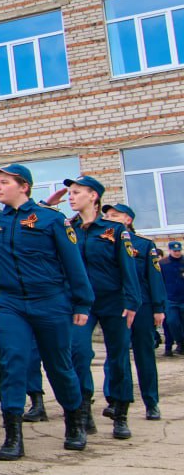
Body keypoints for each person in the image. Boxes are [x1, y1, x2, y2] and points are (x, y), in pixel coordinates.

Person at [0, 164, 91, 459]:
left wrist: (82, 303)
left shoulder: (51, 220)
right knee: (12, 364)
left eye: (4, 182)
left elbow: (73, 263)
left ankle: (74, 421)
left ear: (24, 186)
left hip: (50, 302)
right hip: (10, 304)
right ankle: (13, 435)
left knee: (59, 365)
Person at [55, 176, 139, 439]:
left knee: (118, 356)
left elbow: (128, 268)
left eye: (77, 192)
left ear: (93, 196)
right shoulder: (68, 227)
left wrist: (132, 302)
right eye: (70, 192)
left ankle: (120, 412)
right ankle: (82, 409)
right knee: (78, 352)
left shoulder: (114, 230)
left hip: (113, 302)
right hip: (81, 303)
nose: (71, 196)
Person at [101, 203, 165, 421]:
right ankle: (115, 401)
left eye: (115, 216)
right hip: (117, 306)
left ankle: (151, 402)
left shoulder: (144, 245)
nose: (110, 218)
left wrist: (158, 307)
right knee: (116, 355)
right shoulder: (104, 243)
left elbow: (154, 277)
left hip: (143, 307)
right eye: (107, 215)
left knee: (144, 355)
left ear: (128, 220)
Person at [161, 241, 184, 357]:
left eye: (179, 250)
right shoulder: (163, 263)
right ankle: (179, 341)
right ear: (169, 250)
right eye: (175, 251)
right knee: (172, 322)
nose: (177, 253)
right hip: (170, 299)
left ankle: (181, 345)